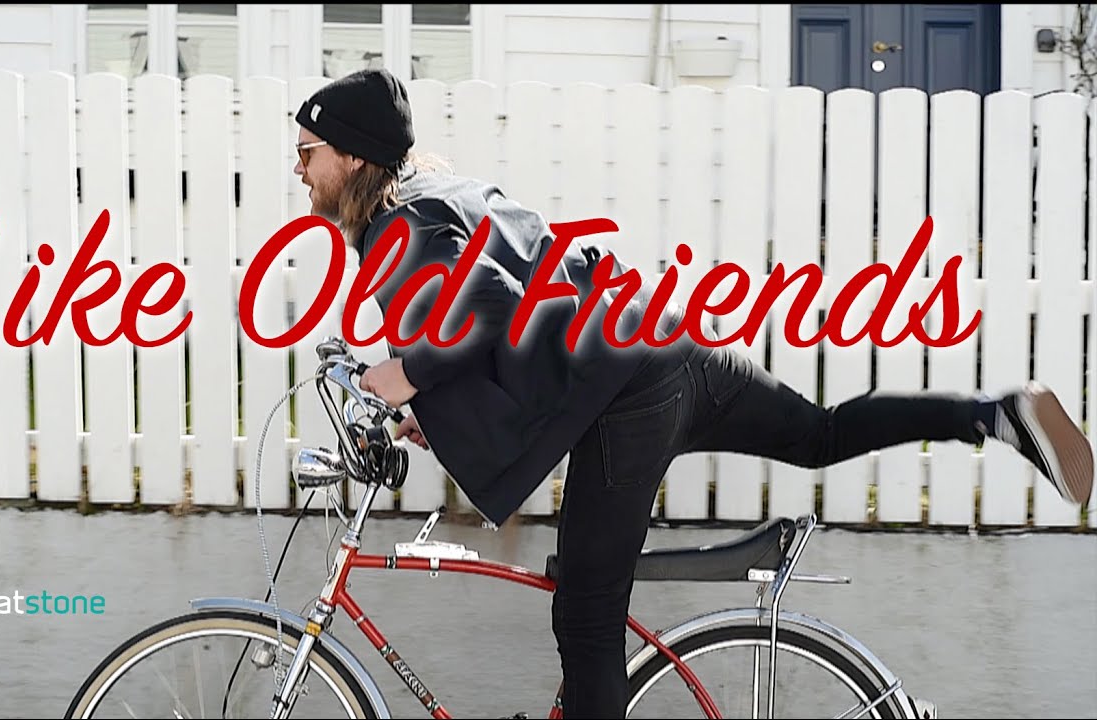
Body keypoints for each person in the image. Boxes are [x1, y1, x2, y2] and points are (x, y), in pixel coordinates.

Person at [292, 68, 1095, 717]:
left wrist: (400, 377)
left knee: (586, 614)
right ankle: (995, 416)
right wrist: (432, 405)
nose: (299, 168)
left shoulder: (402, 230)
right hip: (668, 344)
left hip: (625, 396)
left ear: (353, 157)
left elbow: (487, 313)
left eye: (309, 151)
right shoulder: (444, 196)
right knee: (818, 434)